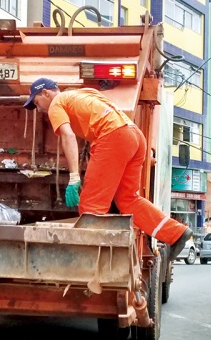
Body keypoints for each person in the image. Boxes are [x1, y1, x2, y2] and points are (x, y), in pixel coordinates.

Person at [23, 78, 193, 257]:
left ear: (46, 93)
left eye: (37, 102)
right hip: (134, 136)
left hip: (112, 137)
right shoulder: (82, 93)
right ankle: (177, 233)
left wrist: (74, 177)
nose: (39, 109)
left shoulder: (56, 103)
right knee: (128, 200)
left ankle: (93, 261)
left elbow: (68, 136)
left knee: (91, 205)